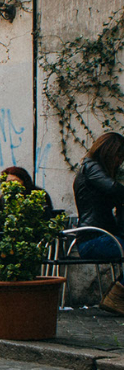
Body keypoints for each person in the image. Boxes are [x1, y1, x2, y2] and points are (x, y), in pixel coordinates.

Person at [72, 132, 124, 315]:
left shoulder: (93, 169)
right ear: (109, 151)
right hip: (93, 239)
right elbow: (112, 188)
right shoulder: (91, 167)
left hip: (102, 236)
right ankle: (116, 295)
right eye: (119, 156)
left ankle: (117, 294)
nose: (119, 162)